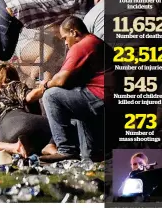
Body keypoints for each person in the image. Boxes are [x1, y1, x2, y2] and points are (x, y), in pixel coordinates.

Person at [40, 16, 114, 162]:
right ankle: (91, 159)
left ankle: (65, 149)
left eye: (65, 38)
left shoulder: (83, 46)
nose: (66, 43)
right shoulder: (95, 42)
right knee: (89, 159)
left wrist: (46, 85)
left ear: (74, 32)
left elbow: (61, 80)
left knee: (50, 95)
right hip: (106, 98)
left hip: (100, 97)